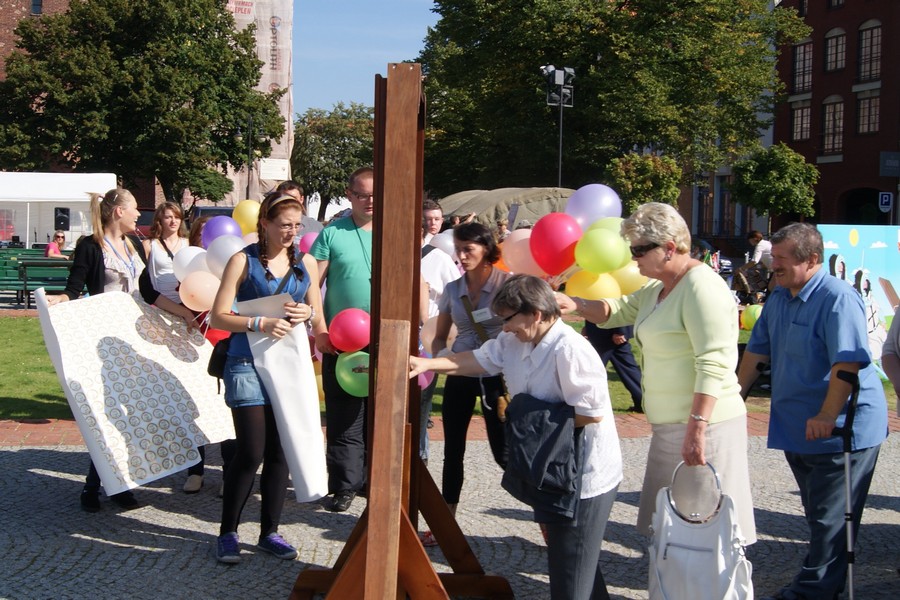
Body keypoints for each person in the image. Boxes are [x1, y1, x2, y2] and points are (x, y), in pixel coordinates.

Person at [410, 275, 622, 600]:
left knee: (570, 574)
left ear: (536, 313)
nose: (504, 328)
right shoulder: (515, 341)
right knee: (576, 565)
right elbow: (476, 360)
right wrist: (426, 363)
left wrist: (525, 415)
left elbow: (590, 413)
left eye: (508, 319)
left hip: (584, 478)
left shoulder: (571, 350)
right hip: (555, 470)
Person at [556, 202, 755, 544]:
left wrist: (697, 428)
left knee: (706, 535)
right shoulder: (659, 286)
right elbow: (615, 309)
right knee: (671, 533)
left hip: (705, 428)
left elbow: (714, 361)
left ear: (670, 247)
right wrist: (574, 304)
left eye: (639, 250)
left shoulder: (701, 287)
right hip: (672, 427)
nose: (633, 258)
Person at [738, 222, 888, 600]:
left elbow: (847, 364)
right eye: (775, 260)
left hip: (839, 428)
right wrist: (732, 397)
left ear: (812, 260)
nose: (775, 268)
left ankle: (811, 592)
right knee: (818, 514)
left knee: (830, 518)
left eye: (783, 261)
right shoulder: (778, 298)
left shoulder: (838, 298)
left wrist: (826, 415)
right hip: (796, 427)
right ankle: (826, 585)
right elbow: (757, 353)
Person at [47, 188, 194, 512]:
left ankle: (117, 482)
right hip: (104, 341)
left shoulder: (132, 247)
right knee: (108, 413)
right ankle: (97, 485)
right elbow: (76, 286)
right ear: (118, 212)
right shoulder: (91, 246)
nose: (137, 216)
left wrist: (183, 312)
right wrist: (60, 299)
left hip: (135, 340)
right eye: (132, 211)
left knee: (132, 413)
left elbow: (148, 291)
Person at [209, 192, 326, 564]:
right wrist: (259, 322)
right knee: (252, 449)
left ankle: (269, 532)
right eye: (284, 225)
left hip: (288, 365)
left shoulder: (304, 262)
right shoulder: (241, 261)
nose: (291, 232)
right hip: (245, 363)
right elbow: (217, 316)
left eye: (297, 225)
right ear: (264, 224)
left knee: (280, 450)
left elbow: (316, 315)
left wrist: (308, 312)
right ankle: (228, 532)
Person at [309, 166, 375, 513]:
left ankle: (377, 482)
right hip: (341, 340)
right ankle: (345, 486)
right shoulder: (332, 233)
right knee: (344, 417)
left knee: (382, 416)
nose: (369, 201)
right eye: (362, 194)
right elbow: (312, 286)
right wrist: (318, 328)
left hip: (384, 340)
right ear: (349, 195)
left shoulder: (395, 231)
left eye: (375, 194)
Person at [432, 222, 509, 519]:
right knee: (453, 449)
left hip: (496, 375)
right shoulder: (453, 288)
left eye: (468, 249)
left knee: (504, 451)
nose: (461, 256)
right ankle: (446, 520)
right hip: (462, 372)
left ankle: (546, 517)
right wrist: (441, 355)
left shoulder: (506, 283)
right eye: (458, 249)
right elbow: (440, 335)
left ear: (486, 248)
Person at [419, 214, 461, 463]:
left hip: (426, 337)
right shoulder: (379, 254)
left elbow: (458, 293)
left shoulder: (438, 258)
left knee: (422, 402)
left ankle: (420, 456)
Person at [582, 321, 643, 413]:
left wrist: (620, 331)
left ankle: (584, 404)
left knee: (592, 371)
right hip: (604, 331)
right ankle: (643, 403)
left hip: (608, 333)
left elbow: (617, 308)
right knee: (628, 369)